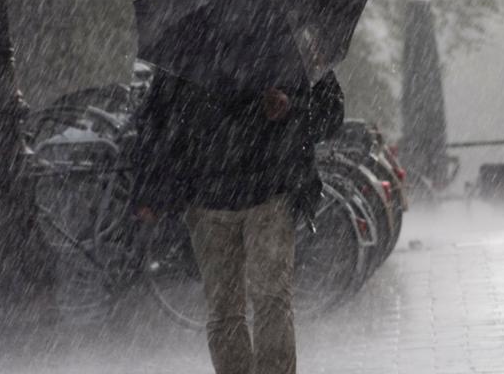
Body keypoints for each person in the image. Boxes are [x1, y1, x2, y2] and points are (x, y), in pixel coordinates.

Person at [131, 62, 344, 374]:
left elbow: (331, 113)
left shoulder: (290, 44)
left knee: (269, 300)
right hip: (208, 198)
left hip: (270, 192)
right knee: (226, 308)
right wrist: (149, 189)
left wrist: (291, 109)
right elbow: (158, 120)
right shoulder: (190, 46)